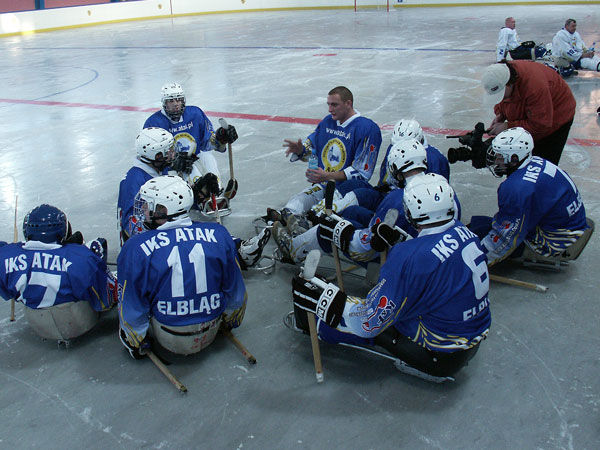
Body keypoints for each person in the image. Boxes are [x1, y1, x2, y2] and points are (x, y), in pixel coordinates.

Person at [289, 174, 491, 381]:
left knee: (354, 322)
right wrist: (399, 240)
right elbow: (434, 262)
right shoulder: (466, 233)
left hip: (438, 354)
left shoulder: (409, 257)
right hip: (469, 340)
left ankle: (317, 326)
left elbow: (369, 322)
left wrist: (325, 300)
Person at [118, 175, 247, 358]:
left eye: (148, 206)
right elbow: (236, 293)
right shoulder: (219, 233)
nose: (144, 211)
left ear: (163, 210)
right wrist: (230, 320)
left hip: (167, 334)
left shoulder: (135, 248)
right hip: (211, 326)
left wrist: (135, 339)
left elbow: (132, 307)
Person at [272, 140, 459, 266]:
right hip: (427, 250)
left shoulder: (398, 198)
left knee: (333, 228)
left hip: (399, 257)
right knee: (352, 212)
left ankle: (295, 248)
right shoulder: (445, 189)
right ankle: (313, 224)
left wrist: (338, 231)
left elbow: (370, 246)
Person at [118, 128, 270, 268]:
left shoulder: (156, 170)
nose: (173, 152)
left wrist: (197, 192)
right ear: (156, 155)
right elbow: (133, 227)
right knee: (201, 233)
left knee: (205, 229)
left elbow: (170, 204)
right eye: (168, 150)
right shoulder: (133, 181)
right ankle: (239, 253)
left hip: (159, 229)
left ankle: (239, 248)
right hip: (145, 245)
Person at [468, 127, 588, 267]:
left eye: (500, 155)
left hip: (556, 242)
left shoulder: (516, 188)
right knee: (482, 224)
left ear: (513, 158)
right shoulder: (536, 161)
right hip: (571, 227)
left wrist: (476, 262)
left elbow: (506, 237)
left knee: (478, 231)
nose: (495, 159)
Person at [263, 86, 382, 226]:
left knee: (317, 214)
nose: (330, 109)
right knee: (293, 205)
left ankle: (305, 224)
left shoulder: (367, 129)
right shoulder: (327, 122)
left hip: (347, 190)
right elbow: (312, 148)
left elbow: (361, 174)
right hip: (323, 184)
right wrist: (300, 149)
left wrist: (328, 175)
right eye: (329, 104)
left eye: (334, 105)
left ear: (348, 104)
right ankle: (288, 219)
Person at [0, 204, 117, 340]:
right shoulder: (82, 258)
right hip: (80, 321)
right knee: (97, 245)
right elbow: (106, 301)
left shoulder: (4, 255)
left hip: (39, 324)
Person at [144, 82, 239, 200]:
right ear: (164, 103)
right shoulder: (153, 123)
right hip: (172, 170)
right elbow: (149, 156)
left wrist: (221, 138)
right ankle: (202, 198)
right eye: (171, 101)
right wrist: (172, 162)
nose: (176, 104)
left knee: (207, 158)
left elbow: (207, 144)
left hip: (194, 158)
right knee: (189, 168)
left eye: (179, 100)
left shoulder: (195, 113)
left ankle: (217, 193)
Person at [482, 60, 576, 165]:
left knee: (540, 165)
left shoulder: (535, 87)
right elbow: (504, 101)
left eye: (502, 94)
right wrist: (500, 114)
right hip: (536, 112)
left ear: (509, 83)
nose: (501, 98)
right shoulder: (501, 74)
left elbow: (541, 125)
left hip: (556, 117)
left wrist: (506, 126)